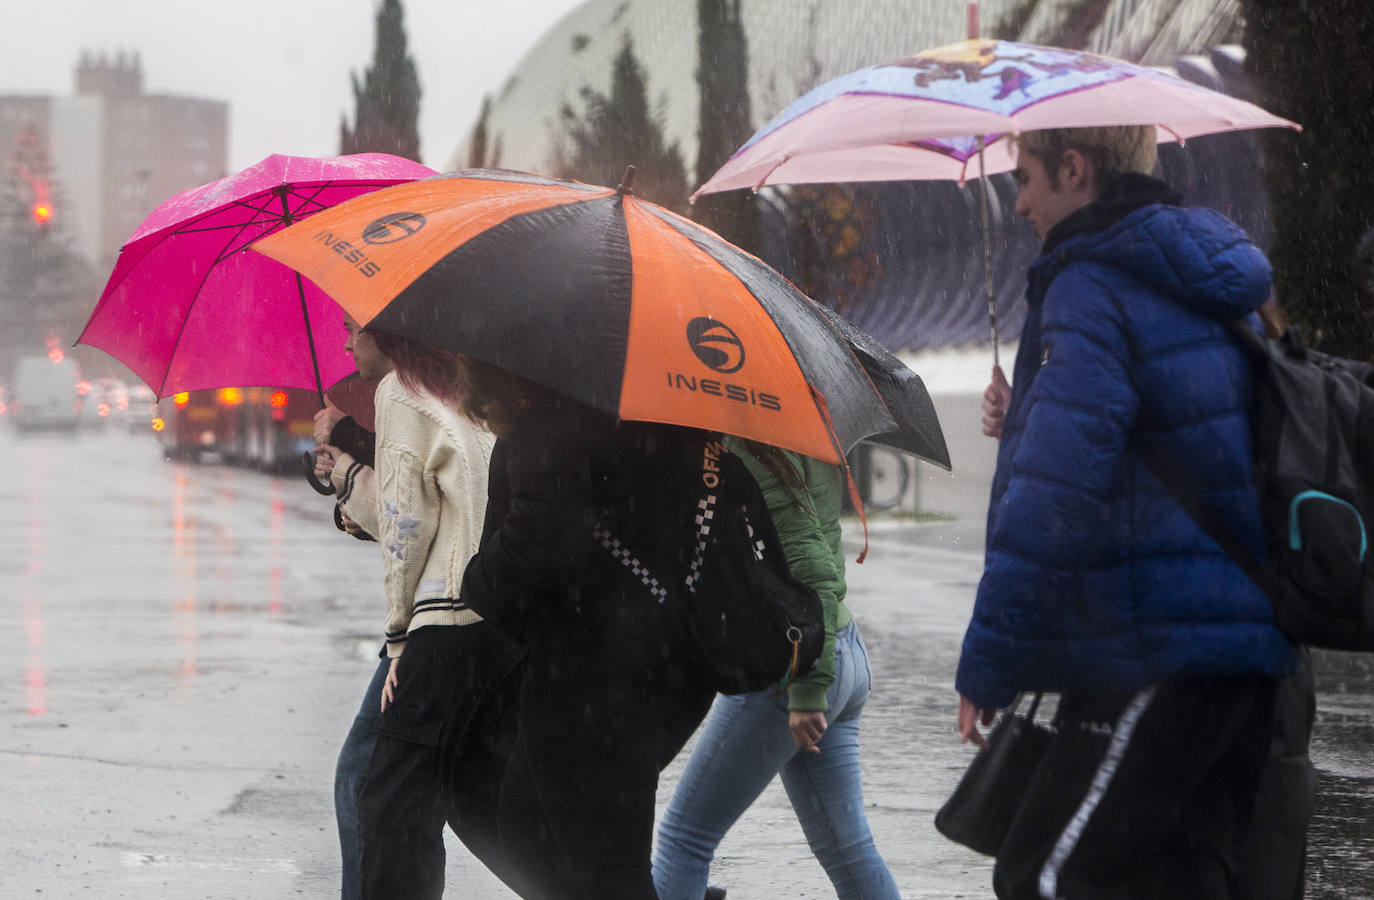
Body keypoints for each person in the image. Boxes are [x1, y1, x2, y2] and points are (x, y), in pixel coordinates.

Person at [954, 125, 1300, 899]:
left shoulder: (1090, 283)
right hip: (1244, 646)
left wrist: (991, 661)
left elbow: (1056, 491)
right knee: (1181, 879)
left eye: (1027, 178)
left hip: (1157, 650)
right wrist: (1030, 408)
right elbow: (1183, 426)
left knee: (1047, 875)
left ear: (1075, 170)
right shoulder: (1207, 271)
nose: (1018, 204)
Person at [454, 355, 717, 899]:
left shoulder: (551, 429)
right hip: (668, 664)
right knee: (533, 829)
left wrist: (477, 582)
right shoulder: (667, 422)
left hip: (595, 672)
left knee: (604, 863)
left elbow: (542, 535)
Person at [315, 315, 515, 899]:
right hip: (484, 616)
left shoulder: (400, 391)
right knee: (448, 793)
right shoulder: (456, 387)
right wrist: (352, 483)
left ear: (389, 333)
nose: (346, 341)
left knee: (367, 779)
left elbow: (407, 527)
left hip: (442, 624)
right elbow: (432, 509)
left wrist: (399, 643)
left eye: (354, 327)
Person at [652, 438, 899, 900]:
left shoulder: (755, 446)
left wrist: (807, 689)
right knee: (848, 851)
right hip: (841, 647)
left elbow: (811, 567)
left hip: (793, 664)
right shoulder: (801, 428)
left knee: (684, 840)